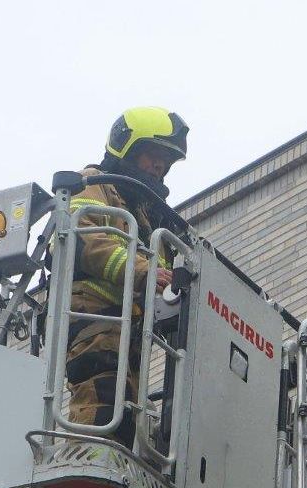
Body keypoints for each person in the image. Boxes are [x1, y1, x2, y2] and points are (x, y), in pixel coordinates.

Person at [64, 107, 187, 445]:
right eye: (153, 155)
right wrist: (144, 271)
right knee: (102, 397)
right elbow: (84, 237)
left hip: (131, 331)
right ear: (127, 148)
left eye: (166, 161)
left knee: (128, 413)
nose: (160, 166)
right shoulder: (94, 183)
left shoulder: (147, 217)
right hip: (94, 318)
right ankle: (87, 456)